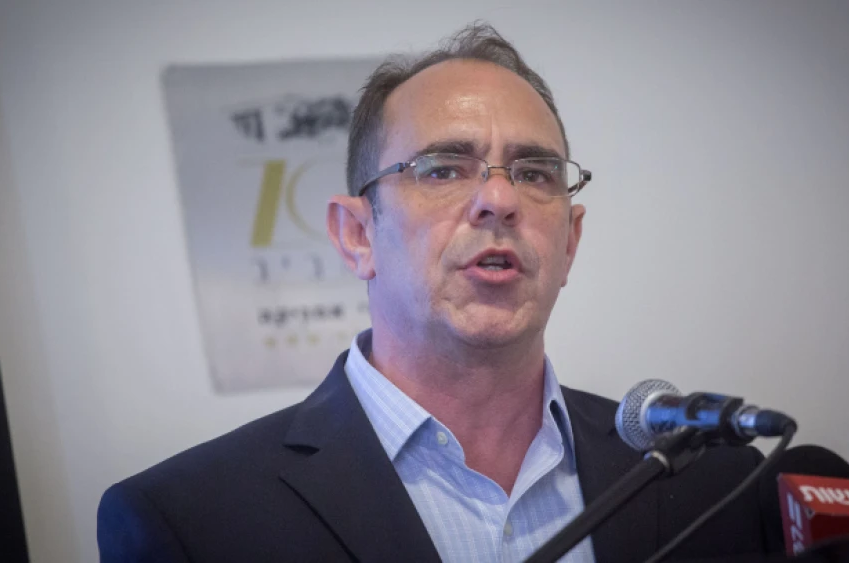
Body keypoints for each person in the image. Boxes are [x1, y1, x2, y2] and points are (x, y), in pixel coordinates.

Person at [98, 24, 776, 562]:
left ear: (569, 240)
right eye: (444, 167)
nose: (500, 199)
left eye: (535, 172)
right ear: (357, 235)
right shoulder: (192, 522)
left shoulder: (715, 482)